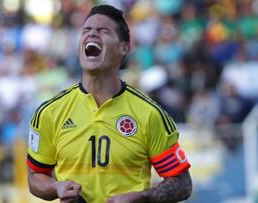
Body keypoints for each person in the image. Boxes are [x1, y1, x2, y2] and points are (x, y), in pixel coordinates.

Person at [26, 4, 192, 203]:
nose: (92, 34)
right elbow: (35, 177)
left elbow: (182, 183)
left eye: (103, 31)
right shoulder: (49, 112)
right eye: (86, 30)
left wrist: (143, 197)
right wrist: (56, 186)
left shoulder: (149, 114)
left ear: (124, 48)